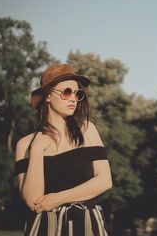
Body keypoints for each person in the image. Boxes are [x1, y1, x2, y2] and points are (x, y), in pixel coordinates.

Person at [14, 63, 112, 236]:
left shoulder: (87, 129)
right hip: (44, 228)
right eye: (67, 92)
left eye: (77, 93)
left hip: (87, 224)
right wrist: (37, 148)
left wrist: (57, 198)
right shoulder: (26, 144)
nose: (73, 99)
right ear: (48, 97)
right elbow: (32, 200)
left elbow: (104, 181)